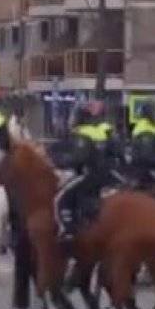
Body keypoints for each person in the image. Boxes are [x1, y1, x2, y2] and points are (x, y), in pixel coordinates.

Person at [54, 99, 124, 243]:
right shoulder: (107, 130)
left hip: (89, 175)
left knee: (61, 198)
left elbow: (79, 158)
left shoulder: (83, 133)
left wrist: (59, 162)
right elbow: (119, 153)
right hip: (112, 176)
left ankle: (68, 230)